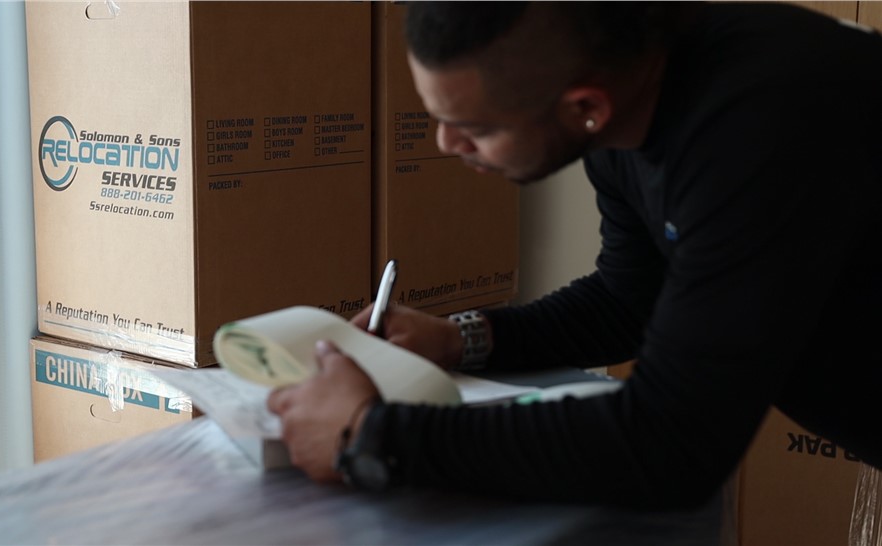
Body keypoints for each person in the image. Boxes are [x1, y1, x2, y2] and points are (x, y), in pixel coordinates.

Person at [268, 2, 882, 508]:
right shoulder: (632, 86)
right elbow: (630, 298)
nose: (445, 143)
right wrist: (461, 340)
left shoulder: (756, 128)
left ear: (586, 107)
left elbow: (670, 446)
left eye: (473, 127)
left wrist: (372, 434)